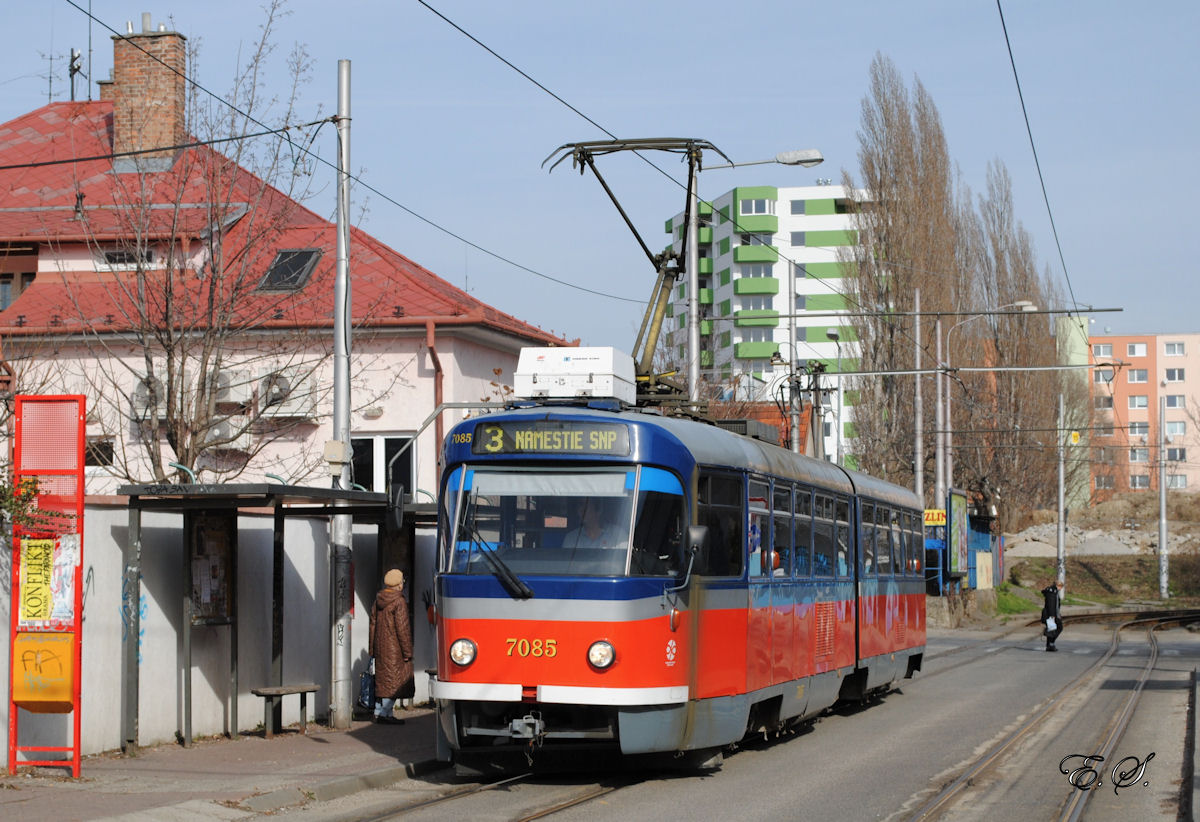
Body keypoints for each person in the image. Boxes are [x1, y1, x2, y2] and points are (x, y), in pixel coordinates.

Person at [369, 568, 414, 724]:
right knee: (394, 682)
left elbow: (372, 625)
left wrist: (372, 648)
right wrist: (407, 651)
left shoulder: (378, 600)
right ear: (399, 584)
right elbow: (403, 629)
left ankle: (378, 711)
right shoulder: (399, 601)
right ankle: (385, 713)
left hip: (380, 647)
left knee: (383, 680)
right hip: (395, 649)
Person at [1041, 580, 1063, 652]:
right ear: (1058, 585)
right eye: (1061, 586)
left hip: (1053, 614)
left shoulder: (1054, 592)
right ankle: (1051, 643)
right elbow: (1051, 605)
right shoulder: (1052, 593)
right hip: (1051, 615)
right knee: (1059, 627)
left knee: (1051, 629)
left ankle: (1049, 645)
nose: (1061, 588)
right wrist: (1052, 615)